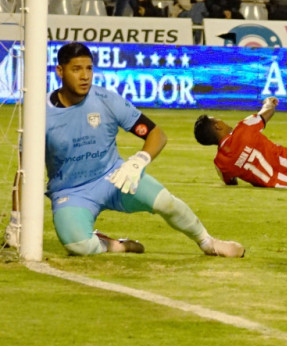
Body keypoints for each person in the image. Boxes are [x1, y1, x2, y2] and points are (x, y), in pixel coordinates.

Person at [44, 42, 244, 257]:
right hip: (71, 192)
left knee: (166, 202)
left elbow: (157, 134)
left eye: (89, 68)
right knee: (79, 247)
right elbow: (24, 168)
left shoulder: (107, 100)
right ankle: (116, 245)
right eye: (76, 69)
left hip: (115, 177)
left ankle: (208, 243)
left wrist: (138, 161)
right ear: (60, 71)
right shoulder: (41, 112)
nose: (85, 76)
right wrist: (18, 220)